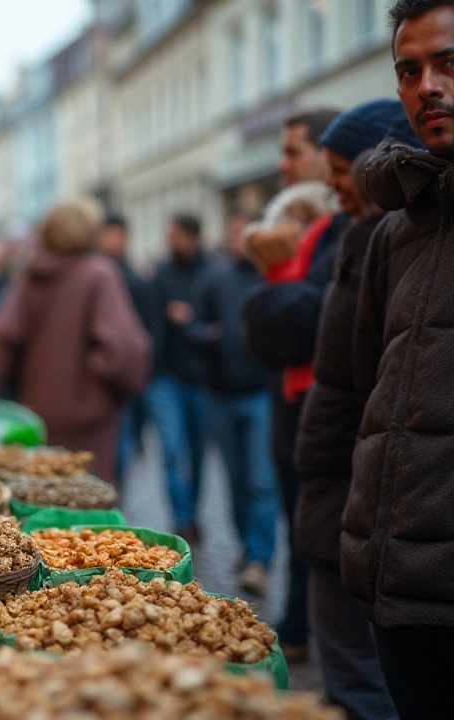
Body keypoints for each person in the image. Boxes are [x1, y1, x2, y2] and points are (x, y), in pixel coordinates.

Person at [341, 4, 454, 715]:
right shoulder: (394, 232)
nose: (427, 87)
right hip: (400, 592)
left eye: (449, 64)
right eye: (409, 71)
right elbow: (368, 386)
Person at [297, 98, 421, 720]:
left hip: (359, 481)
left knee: (361, 677)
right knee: (349, 664)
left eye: (340, 168)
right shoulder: (363, 235)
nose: (329, 181)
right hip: (335, 477)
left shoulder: (391, 238)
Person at [241, 108, 343, 664]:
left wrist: (270, 292)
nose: (282, 164)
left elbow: (297, 321)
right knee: (298, 519)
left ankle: (311, 629)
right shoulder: (294, 229)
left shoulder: (338, 228)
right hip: (288, 400)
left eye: (292, 152)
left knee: (316, 523)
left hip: (319, 403)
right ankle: (301, 622)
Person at [0, 197, 150, 484]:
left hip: (35, 406)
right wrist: (95, 382)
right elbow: (124, 350)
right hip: (89, 413)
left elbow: (4, 333)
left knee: (41, 494)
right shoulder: (99, 272)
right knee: (88, 502)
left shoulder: (31, 272)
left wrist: (14, 383)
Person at [179, 213, 279, 596]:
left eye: (244, 233)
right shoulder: (214, 278)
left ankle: (260, 559)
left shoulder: (271, 278)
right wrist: (210, 335)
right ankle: (247, 546)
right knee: (236, 482)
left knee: (260, 482)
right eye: (232, 232)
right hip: (219, 396)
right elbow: (192, 326)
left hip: (260, 395)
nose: (236, 239)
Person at [145, 214, 211, 543]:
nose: (168, 238)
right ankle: (182, 518)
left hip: (201, 377)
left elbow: (217, 318)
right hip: (165, 377)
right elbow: (150, 321)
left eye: (173, 233)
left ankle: (194, 510)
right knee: (172, 448)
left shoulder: (211, 271)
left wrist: (192, 319)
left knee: (198, 453)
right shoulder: (160, 274)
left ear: (190, 235)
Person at [98, 214, 156, 484]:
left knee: (123, 446)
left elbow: (145, 331)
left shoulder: (135, 280)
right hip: (100, 381)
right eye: (109, 234)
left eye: (118, 235)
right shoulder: (95, 275)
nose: (114, 241)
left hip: (126, 380)